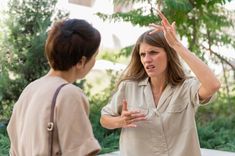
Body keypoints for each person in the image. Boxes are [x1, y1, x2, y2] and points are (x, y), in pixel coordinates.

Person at [100, 10, 221, 156]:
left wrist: (176, 44)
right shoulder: (128, 87)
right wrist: (120, 121)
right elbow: (105, 119)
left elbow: (213, 85)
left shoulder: (186, 87)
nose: (146, 59)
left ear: (169, 55)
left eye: (153, 52)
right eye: (143, 55)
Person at [7, 19, 101, 156]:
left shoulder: (31, 89)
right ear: (81, 62)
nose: (94, 62)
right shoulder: (69, 94)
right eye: (95, 56)